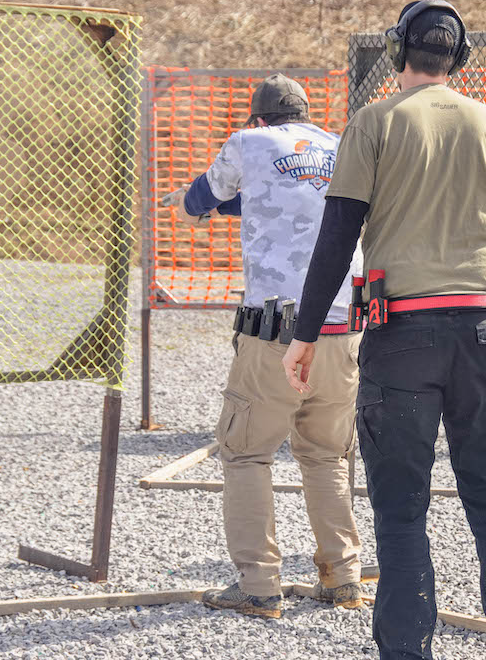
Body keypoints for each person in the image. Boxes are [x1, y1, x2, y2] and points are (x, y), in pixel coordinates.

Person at [282, 0, 486, 660]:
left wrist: (306, 335)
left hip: (401, 333)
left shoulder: (371, 124)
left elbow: (338, 234)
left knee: (401, 512)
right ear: (458, 60)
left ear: (399, 50)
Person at [177, 74, 365, 620]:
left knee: (245, 452)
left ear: (258, 118)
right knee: (327, 455)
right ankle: (343, 577)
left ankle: (259, 584)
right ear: (305, 114)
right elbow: (289, 202)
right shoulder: (339, 146)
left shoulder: (248, 142)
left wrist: (195, 204)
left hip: (275, 335)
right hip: (340, 329)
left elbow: (200, 199)